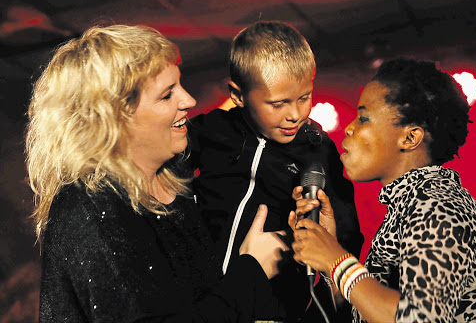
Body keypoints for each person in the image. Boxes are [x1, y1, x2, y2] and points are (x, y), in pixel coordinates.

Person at [26, 24, 289, 322]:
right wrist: (251, 271)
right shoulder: (86, 207)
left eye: (180, 85)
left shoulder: (177, 181)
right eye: (167, 96)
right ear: (115, 119)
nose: (189, 100)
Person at [289, 58, 476, 322]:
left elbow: (420, 318)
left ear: (410, 138)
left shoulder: (438, 206)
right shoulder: (411, 205)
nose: (350, 127)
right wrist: (328, 250)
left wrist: (337, 260)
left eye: (364, 117)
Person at [186, 20, 364, 321]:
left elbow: (346, 236)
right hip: (204, 300)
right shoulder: (213, 129)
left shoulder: (317, 148)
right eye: (278, 104)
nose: (295, 114)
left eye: (304, 97)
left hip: (274, 309)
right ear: (238, 95)